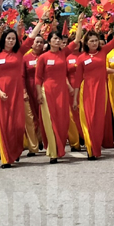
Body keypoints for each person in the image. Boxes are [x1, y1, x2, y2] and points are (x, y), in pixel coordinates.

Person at [0, 23, 42, 168]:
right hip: (2, 94)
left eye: (13, 39)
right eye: (8, 39)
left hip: (17, 94)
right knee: (4, 125)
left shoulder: (19, 53)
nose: (11, 41)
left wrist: (41, 22)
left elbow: (31, 38)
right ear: (3, 40)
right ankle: (6, 157)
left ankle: (16, 150)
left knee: (18, 125)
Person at [73, 16, 114, 159]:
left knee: (98, 120)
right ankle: (90, 149)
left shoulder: (103, 52)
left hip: (101, 90)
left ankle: (96, 148)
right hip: (86, 90)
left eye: (96, 40)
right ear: (86, 43)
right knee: (88, 119)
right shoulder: (81, 58)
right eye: (91, 41)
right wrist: (75, 99)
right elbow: (77, 80)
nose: (94, 43)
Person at [35, 30, 75, 164]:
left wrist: (80, 24)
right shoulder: (43, 57)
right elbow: (38, 77)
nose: (58, 41)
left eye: (59, 39)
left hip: (62, 91)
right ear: (49, 41)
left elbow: (77, 40)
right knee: (50, 120)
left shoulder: (63, 53)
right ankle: (52, 151)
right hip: (47, 91)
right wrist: (39, 94)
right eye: (55, 39)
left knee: (62, 121)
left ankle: (60, 147)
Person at [22, 33, 46, 156]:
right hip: (30, 89)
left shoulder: (46, 56)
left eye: (41, 42)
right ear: (32, 43)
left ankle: (43, 139)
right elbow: (22, 76)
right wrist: (24, 91)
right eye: (37, 42)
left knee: (43, 115)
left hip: (43, 89)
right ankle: (33, 145)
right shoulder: (25, 58)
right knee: (31, 118)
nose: (39, 44)